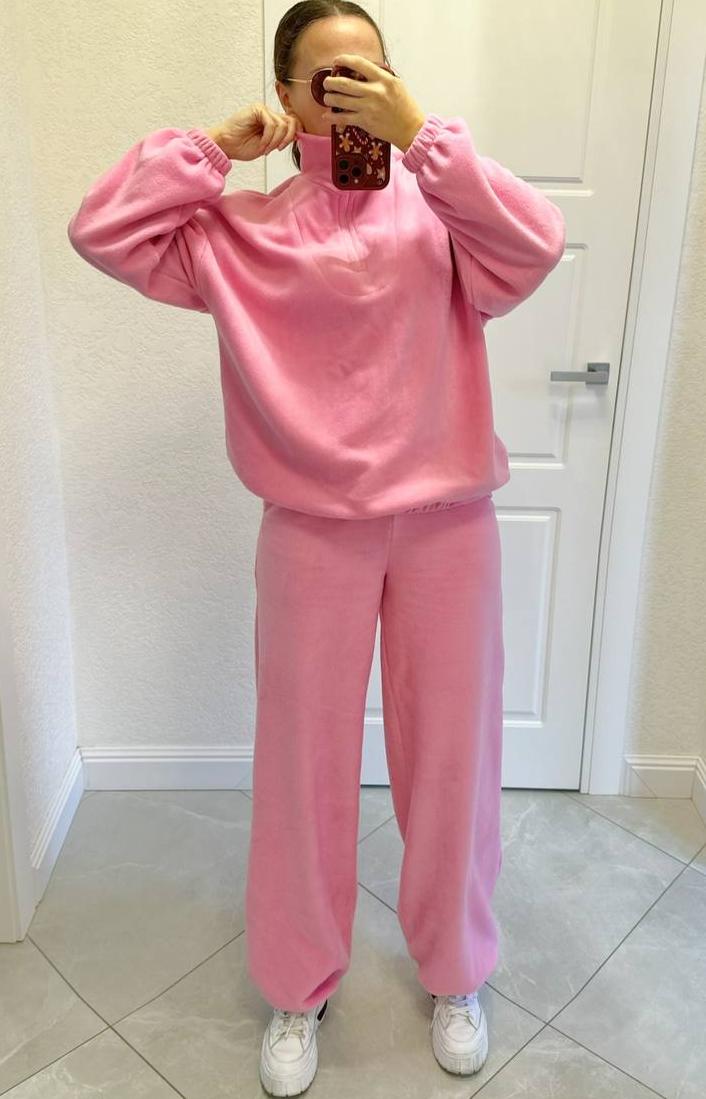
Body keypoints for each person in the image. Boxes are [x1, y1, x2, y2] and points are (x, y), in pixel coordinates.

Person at [66, 1, 565, 1094]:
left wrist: (422, 134)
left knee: (453, 756)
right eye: (327, 79)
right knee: (301, 763)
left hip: (447, 527)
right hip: (309, 533)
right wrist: (212, 149)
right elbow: (102, 231)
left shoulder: (444, 217)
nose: (350, 96)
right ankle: (297, 985)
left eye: (369, 73)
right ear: (288, 96)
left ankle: (458, 969)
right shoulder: (244, 233)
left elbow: (535, 246)